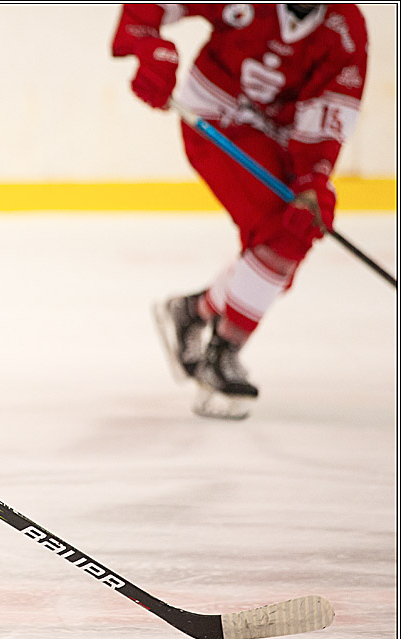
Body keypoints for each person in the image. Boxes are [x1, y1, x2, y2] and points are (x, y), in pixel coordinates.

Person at [112, 4, 368, 419]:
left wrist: (314, 178)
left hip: (281, 139)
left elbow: (328, 110)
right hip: (217, 118)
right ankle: (221, 352)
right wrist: (148, 46)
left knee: (289, 236)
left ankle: (193, 311)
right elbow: (148, 9)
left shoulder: (346, 28)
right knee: (284, 236)